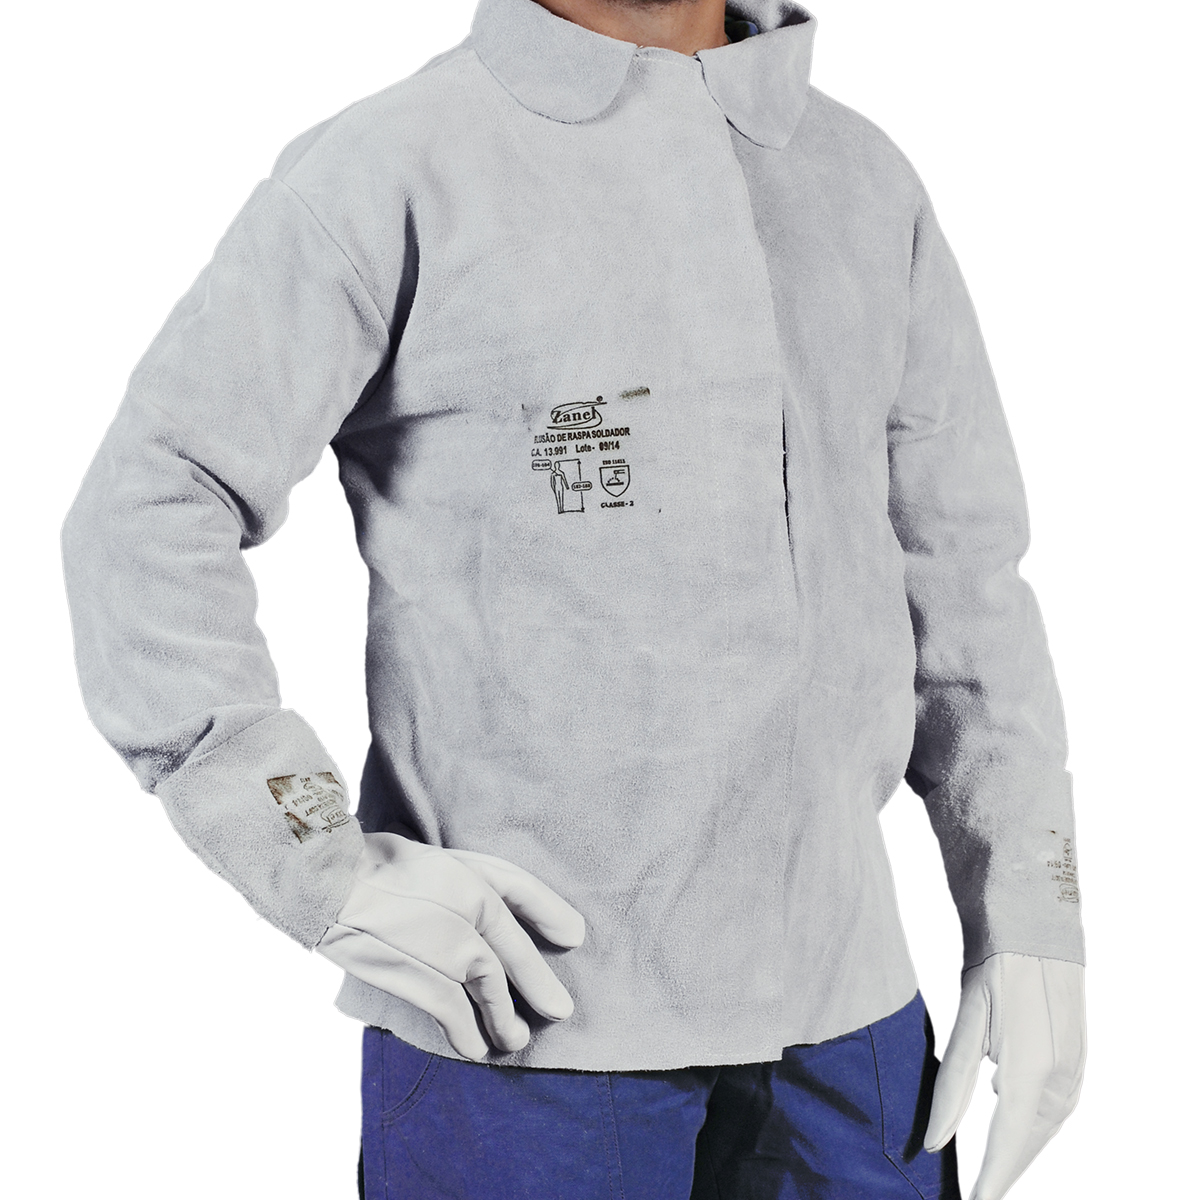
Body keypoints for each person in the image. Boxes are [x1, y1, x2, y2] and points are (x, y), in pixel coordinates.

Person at [62, 0, 1086, 1196]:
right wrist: (317, 862)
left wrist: (1032, 900)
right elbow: (150, 507)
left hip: (847, 1020)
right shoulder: (397, 165)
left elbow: (960, 572)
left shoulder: (859, 178)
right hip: (522, 1024)